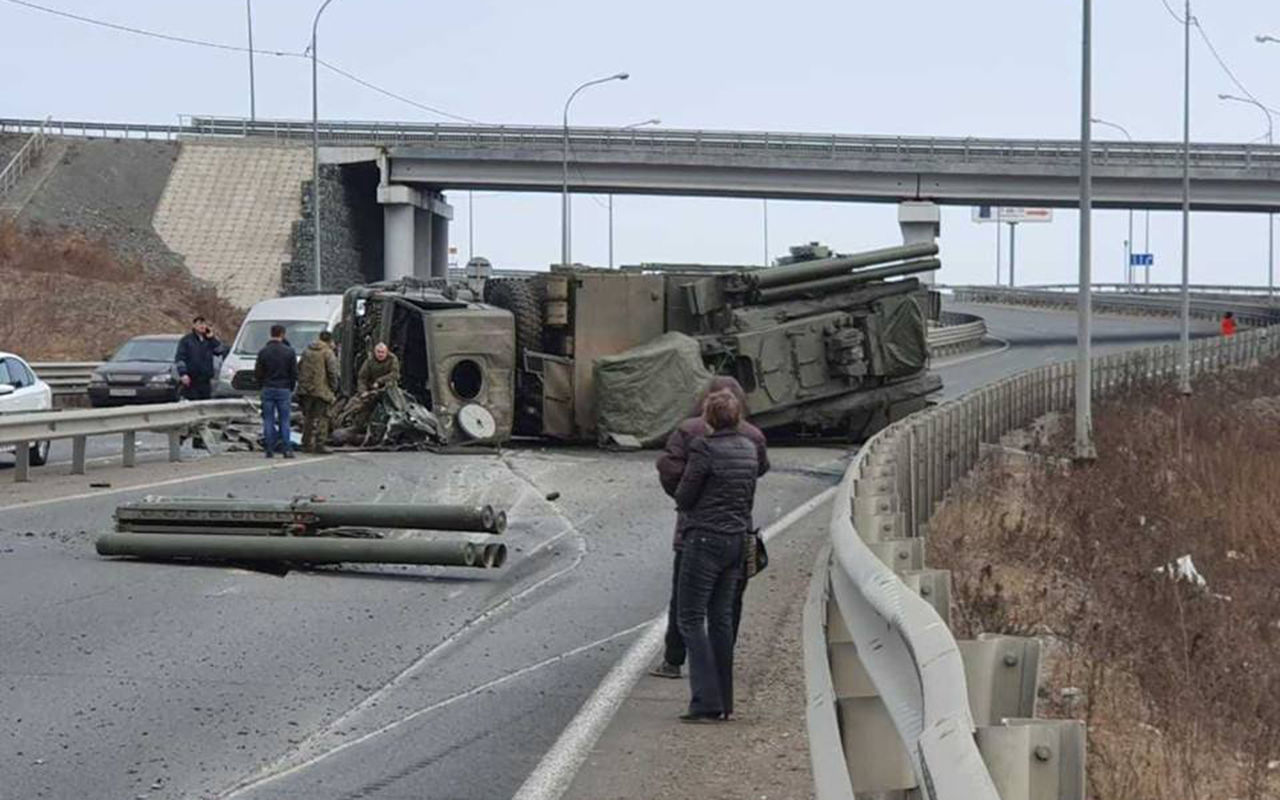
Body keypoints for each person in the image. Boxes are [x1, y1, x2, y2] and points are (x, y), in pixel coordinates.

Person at [651, 377, 769, 680]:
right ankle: (722, 661)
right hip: (738, 528)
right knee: (730, 601)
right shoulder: (753, 437)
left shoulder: (688, 433)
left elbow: (672, 474)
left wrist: (687, 502)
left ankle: (674, 660)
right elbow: (761, 469)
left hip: (694, 530)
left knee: (685, 599)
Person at [672, 390, 759, 723]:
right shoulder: (749, 449)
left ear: (708, 417)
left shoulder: (704, 448)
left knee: (691, 618)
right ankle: (724, 700)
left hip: (705, 538)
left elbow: (685, 494)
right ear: (737, 417)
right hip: (736, 538)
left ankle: (704, 700)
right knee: (721, 618)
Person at [255, 324, 298, 459]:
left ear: (271, 334)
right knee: (284, 420)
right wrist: (290, 387)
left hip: (268, 388)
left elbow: (258, 373)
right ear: (282, 334)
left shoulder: (263, 352)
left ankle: (269, 449)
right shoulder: (289, 352)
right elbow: (294, 373)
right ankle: (287, 449)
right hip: (284, 389)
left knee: (268, 419)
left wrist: (262, 384)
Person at [297, 330, 339, 454]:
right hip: (321, 390)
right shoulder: (328, 352)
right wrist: (333, 388)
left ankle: (306, 443)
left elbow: (299, 367)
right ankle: (320, 444)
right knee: (323, 417)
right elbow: (332, 372)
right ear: (330, 340)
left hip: (305, 390)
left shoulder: (307, 351)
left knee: (308, 417)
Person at [174, 316, 228, 400]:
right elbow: (180, 358)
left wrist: (212, 339)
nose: (202, 326)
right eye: (199, 324)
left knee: (206, 402)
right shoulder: (186, 340)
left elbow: (220, 351)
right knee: (193, 401)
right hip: (192, 379)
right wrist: (183, 374)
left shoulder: (208, 340)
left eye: (204, 324)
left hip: (206, 379)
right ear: (194, 326)